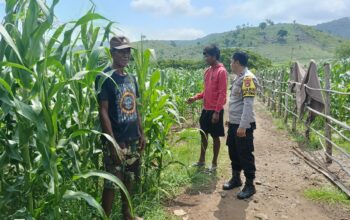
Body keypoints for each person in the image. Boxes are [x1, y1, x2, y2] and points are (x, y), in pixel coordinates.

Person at [95, 36, 145, 219]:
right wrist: (112, 142)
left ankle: (127, 214)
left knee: (130, 177)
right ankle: (105, 217)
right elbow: (103, 110)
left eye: (128, 50)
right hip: (117, 140)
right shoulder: (104, 77)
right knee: (112, 182)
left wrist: (142, 133)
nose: (126, 54)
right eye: (121, 51)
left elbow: (135, 107)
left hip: (132, 137)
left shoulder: (131, 77)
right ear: (112, 52)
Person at [222, 51, 259, 200]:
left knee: (245, 154)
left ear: (237, 62)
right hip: (234, 123)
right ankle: (236, 178)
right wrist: (231, 121)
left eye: (231, 62)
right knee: (234, 151)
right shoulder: (239, 78)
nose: (230, 65)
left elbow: (248, 104)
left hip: (243, 125)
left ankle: (250, 185)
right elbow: (236, 103)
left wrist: (243, 126)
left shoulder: (248, 78)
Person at [187, 45, 228, 172]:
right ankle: (201, 161)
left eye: (207, 55)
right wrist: (195, 97)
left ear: (214, 56)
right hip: (205, 109)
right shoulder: (208, 71)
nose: (205, 58)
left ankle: (214, 164)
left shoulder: (221, 71)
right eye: (205, 55)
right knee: (203, 136)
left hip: (215, 111)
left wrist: (217, 112)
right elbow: (206, 91)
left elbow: (222, 93)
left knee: (215, 137)